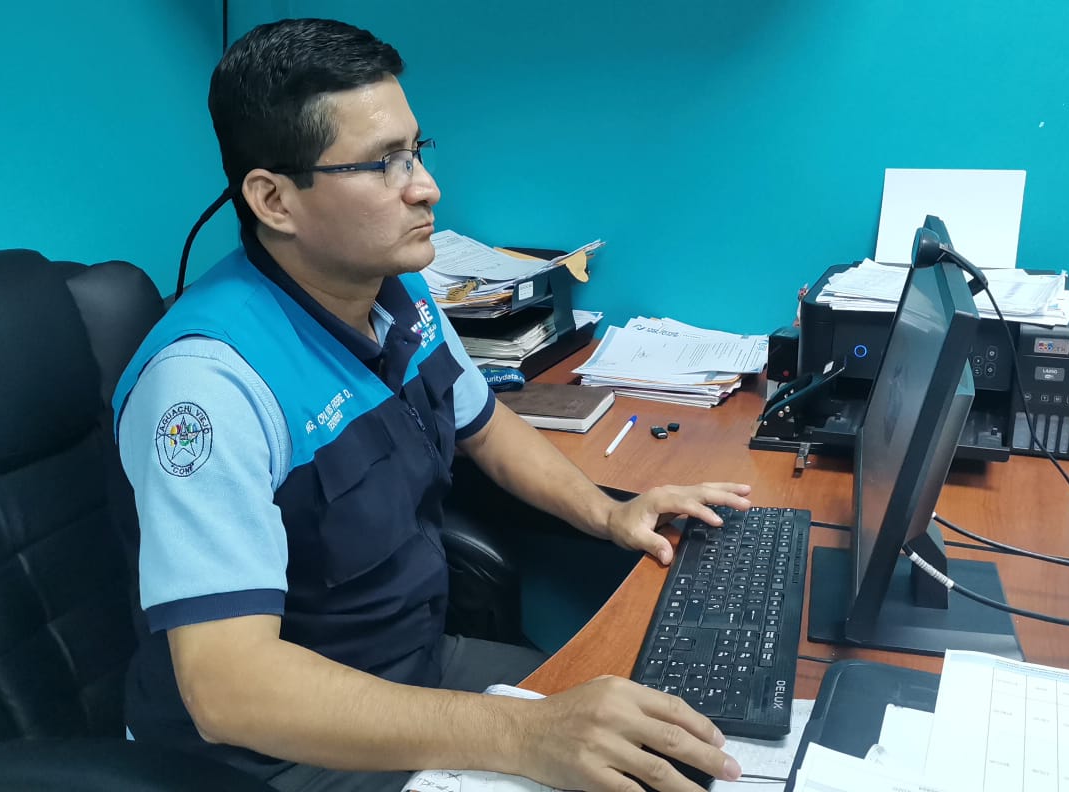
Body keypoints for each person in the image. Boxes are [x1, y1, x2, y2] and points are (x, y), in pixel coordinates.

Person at [112, 17, 754, 792]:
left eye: (416, 151)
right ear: (274, 199)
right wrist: (523, 734)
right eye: (384, 163)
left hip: (412, 669)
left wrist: (610, 513)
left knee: (679, 738)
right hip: (273, 753)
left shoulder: (398, 289)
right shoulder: (208, 387)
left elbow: (488, 427)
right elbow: (228, 693)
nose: (425, 186)